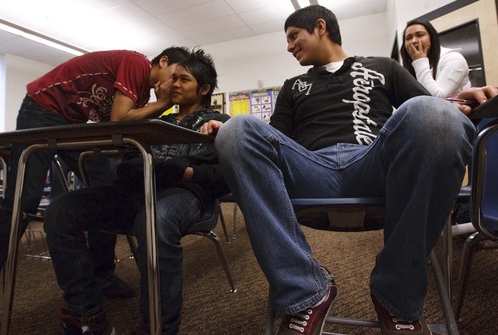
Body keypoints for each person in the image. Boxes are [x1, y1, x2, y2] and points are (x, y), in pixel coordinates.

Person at [200, 5, 497, 335]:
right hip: (311, 169)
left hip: (375, 163)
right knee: (237, 129)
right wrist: (229, 134)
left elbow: (428, 109)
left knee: (436, 115)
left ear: (320, 27)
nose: (288, 46)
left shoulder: (383, 66)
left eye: (293, 36)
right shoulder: (293, 85)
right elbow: (275, 138)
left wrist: (457, 102)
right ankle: (306, 292)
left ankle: (395, 295)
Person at [43, 48, 230, 335]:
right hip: (136, 190)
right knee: (62, 210)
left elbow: (226, 176)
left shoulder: (219, 123)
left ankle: (158, 328)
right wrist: (140, 167)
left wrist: (186, 172)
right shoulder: (157, 121)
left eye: (184, 80)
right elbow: (127, 162)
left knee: (154, 220)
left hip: (185, 194)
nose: (174, 84)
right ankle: (85, 313)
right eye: (174, 78)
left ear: (204, 89)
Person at [0, 47, 190, 297]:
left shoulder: (141, 96)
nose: (173, 85)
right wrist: (163, 103)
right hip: (43, 108)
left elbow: (113, 126)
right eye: (174, 77)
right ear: (163, 62)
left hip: (71, 121)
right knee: (23, 201)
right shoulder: (137, 63)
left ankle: (102, 275)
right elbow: (119, 119)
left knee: (107, 188)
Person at [401, 20, 471, 98]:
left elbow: (437, 98)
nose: (413, 41)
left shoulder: (454, 58)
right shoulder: (415, 67)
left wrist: (419, 61)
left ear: (432, 37)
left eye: (420, 35)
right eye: (408, 38)